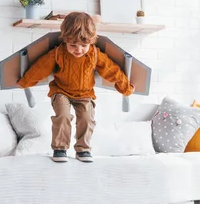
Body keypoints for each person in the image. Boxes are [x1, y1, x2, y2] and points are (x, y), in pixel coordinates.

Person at [17, 12, 134, 163]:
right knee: (63, 115)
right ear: (65, 40)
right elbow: (41, 68)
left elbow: (112, 71)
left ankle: (83, 149)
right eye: (73, 45)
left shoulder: (95, 54)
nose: (78, 49)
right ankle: (60, 148)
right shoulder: (59, 53)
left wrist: (126, 88)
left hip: (85, 93)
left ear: (91, 42)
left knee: (87, 118)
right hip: (60, 91)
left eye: (83, 45)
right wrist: (25, 81)